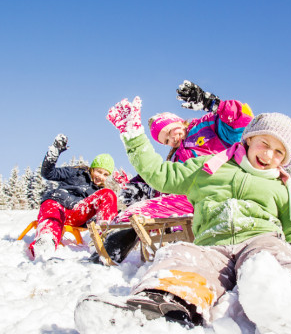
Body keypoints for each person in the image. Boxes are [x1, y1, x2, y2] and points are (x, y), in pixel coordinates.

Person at [75, 99, 291, 334]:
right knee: (181, 255)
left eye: (280, 152)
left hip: (260, 239)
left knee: (270, 258)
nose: (269, 154)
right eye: (265, 143)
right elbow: (159, 174)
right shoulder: (210, 167)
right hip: (214, 243)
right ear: (250, 139)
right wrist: (133, 135)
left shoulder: (282, 187)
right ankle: (153, 307)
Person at [90, 81, 254, 264]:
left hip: (219, 192)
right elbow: (167, 179)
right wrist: (140, 186)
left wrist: (212, 104)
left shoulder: (207, 126)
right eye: (166, 140)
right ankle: (105, 254)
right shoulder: (175, 157)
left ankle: (107, 255)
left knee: (142, 211)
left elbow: (242, 124)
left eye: (169, 131)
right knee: (136, 212)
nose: (171, 140)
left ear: (177, 121)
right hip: (189, 199)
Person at [27, 134, 118, 261]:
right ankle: (45, 242)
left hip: (77, 213)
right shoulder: (76, 172)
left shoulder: (98, 192)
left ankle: (104, 239)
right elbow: (48, 173)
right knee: (53, 216)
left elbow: (94, 216)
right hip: (57, 203)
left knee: (108, 193)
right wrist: (54, 153)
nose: (101, 177)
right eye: (98, 171)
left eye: (105, 174)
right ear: (91, 168)